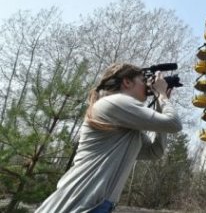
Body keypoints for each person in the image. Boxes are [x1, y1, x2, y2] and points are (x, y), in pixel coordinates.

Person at [35, 63, 183, 213]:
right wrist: (162, 95)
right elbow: (174, 123)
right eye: (143, 81)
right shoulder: (113, 102)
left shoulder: (127, 124)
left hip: (94, 204)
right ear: (127, 82)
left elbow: (154, 151)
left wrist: (160, 103)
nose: (148, 85)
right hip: (76, 202)